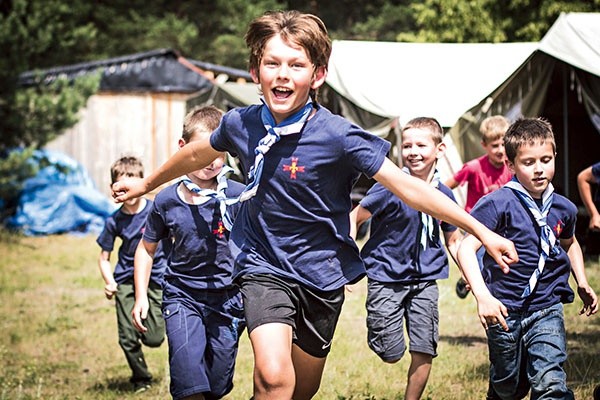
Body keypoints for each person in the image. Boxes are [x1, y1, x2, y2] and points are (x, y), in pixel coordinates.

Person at [112, 10, 517, 400]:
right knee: (273, 379)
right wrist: (145, 184)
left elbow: (408, 187)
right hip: (262, 264)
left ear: (317, 75)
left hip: (322, 275)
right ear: (256, 72)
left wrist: (481, 230)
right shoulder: (241, 123)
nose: (282, 74)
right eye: (272, 63)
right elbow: (198, 153)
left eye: (296, 65)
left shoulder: (340, 136)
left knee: (301, 391)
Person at [457, 117, 598, 400]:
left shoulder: (564, 207)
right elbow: (465, 248)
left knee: (550, 382)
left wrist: (581, 280)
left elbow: (570, 244)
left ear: (555, 156)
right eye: (528, 162)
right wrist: (483, 296)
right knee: (508, 386)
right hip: (504, 310)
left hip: (547, 306)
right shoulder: (498, 203)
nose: (539, 169)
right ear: (510, 165)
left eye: (546, 160)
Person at [132, 105, 246, 400]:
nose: (211, 162)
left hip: (229, 301)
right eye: (203, 153)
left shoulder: (238, 196)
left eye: (218, 154)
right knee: (189, 383)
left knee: (216, 386)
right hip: (182, 296)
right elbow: (146, 249)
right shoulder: (166, 201)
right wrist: (142, 296)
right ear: (184, 148)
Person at [349, 117, 462, 400]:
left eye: (421, 145)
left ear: (440, 149)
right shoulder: (390, 186)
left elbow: (453, 238)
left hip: (425, 279)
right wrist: (346, 258)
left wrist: (473, 274)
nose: (413, 151)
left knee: (424, 348)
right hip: (385, 276)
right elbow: (356, 216)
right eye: (407, 145)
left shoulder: (444, 193)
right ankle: (384, 339)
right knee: (391, 352)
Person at [96, 156, 167, 393]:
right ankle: (141, 378)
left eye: (132, 184)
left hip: (156, 278)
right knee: (127, 338)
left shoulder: (157, 210)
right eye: (122, 185)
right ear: (114, 188)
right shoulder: (113, 221)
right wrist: (109, 281)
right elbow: (104, 257)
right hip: (126, 280)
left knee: (155, 338)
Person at [445, 115, 512, 298]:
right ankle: (468, 279)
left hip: (502, 227)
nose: (500, 150)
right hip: (476, 227)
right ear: (484, 145)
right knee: (478, 265)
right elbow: (445, 187)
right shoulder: (474, 167)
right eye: (494, 145)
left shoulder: (513, 168)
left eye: (503, 144)